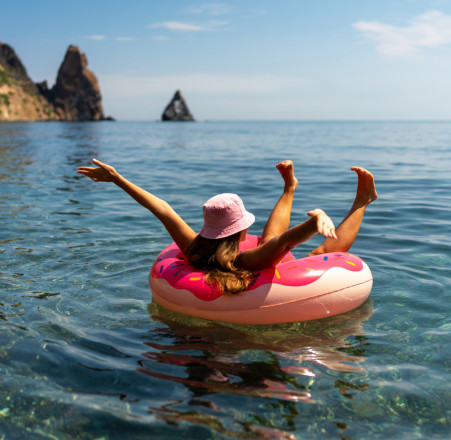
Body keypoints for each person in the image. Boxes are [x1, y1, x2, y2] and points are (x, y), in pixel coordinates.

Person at [77, 159, 377, 294]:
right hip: (267, 278)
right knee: (323, 249)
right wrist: (316, 219)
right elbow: (284, 242)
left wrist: (117, 179)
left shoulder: (193, 246)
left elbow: (162, 209)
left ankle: (289, 188)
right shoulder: (249, 259)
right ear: (242, 231)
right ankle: (363, 200)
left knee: (273, 238)